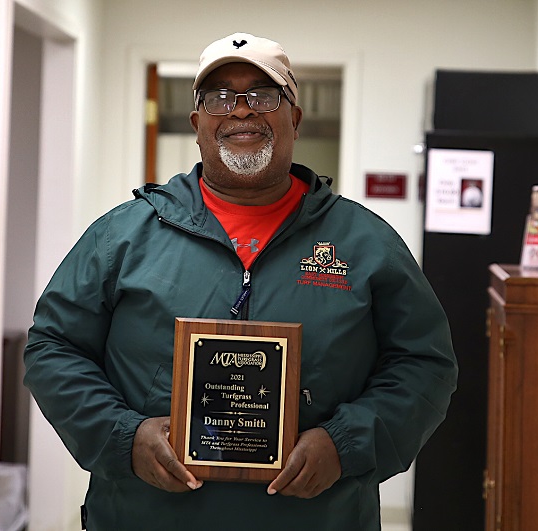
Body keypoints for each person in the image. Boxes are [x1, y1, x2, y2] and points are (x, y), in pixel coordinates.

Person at [24, 32, 457, 531]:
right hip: (147, 514)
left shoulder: (365, 243)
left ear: (294, 116)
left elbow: (425, 364)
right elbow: (53, 348)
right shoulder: (122, 236)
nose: (242, 110)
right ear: (198, 123)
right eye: (219, 97)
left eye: (263, 94)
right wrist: (125, 436)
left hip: (317, 517)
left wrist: (346, 443)